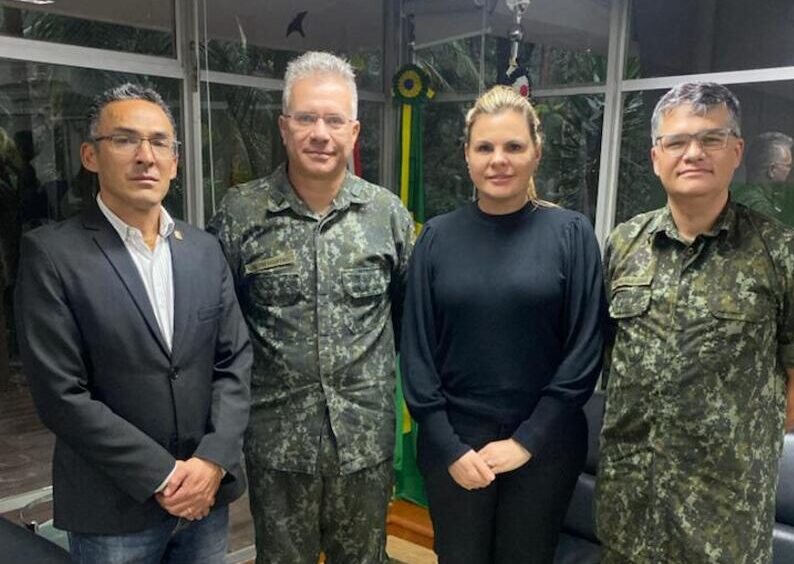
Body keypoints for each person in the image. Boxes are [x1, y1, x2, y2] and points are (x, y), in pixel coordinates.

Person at [595, 82, 794, 563]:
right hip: (630, 504)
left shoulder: (788, 255)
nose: (693, 153)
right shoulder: (625, 244)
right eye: (677, 141)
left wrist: (733, 441)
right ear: (656, 157)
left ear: (736, 152)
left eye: (711, 139)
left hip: (724, 516)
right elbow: (609, 358)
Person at [15, 83, 253, 563]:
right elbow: (60, 394)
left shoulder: (204, 250)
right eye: (124, 139)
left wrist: (210, 460)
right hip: (112, 508)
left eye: (160, 142)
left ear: (175, 162)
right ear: (90, 155)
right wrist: (164, 477)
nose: (146, 156)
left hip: (207, 497)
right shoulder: (53, 254)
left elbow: (234, 362)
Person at [208, 51, 415, 564]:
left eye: (334, 119)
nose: (320, 133)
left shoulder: (387, 214)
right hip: (278, 445)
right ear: (284, 126)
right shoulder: (241, 213)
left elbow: (410, 321)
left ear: (354, 130)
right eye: (306, 118)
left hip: (364, 443)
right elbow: (220, 332)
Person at [401, 85, 605, 564]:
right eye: (485, 147)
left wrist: (526, 442)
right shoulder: (435, 237)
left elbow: (584, 350)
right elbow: (417, 351)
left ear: (536, 152)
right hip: (453, 444)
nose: (499, 160)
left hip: (545, 445)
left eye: (513, 146)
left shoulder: (571, 235)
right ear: (467, 157)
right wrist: (448, 445)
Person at [733, 130, 793, 217]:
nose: (791, 171)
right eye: (788, 165)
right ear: (772, 170)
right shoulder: (760, 208)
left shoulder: (743, 196)